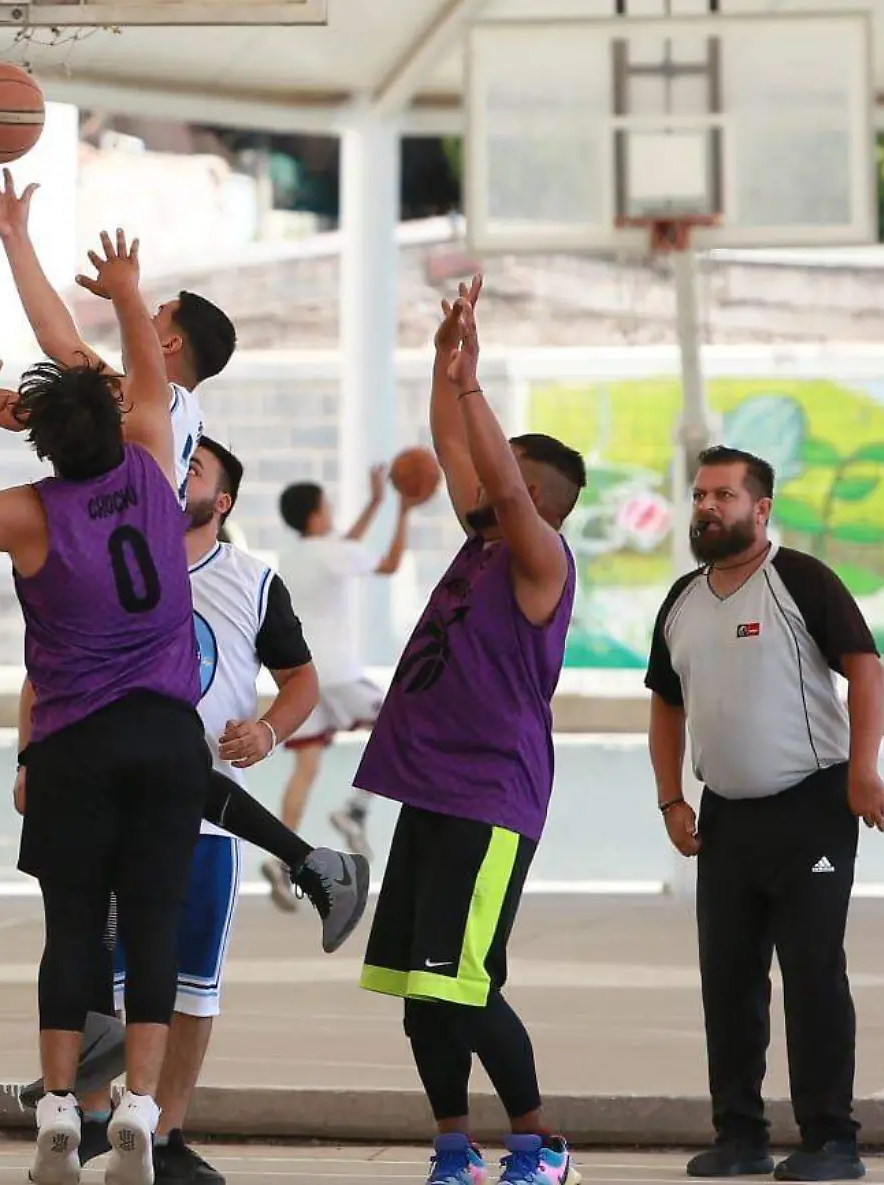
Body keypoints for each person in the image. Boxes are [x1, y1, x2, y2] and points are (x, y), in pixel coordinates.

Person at [0, 227, 213, 1185]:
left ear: (43, 443)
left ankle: (59, 1109)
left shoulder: (31, 512)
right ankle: (143, 1111)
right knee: (153, 922)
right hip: (167, 735)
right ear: (114, 422)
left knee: (71, 927)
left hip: (73, 743)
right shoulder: (156, 461)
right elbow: (148, 374)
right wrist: (124, 288)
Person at [352, 277, 586, 1185]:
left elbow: (487, 459)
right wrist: (448, 363)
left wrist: (480, 390)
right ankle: (456, 1151)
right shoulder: (480, 540)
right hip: (433, 794)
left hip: (491, 797)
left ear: (526, 490)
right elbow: (452, 443)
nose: (475, 477)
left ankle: (542, 1146)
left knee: (468, 982)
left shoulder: (539, 556)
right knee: (420, 996)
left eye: (502, 471)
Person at [72, 436, 324, 1184]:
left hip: (209, 819)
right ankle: (88, 1121)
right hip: (112, 804)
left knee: (192, 987)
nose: (178, 471)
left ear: (223, 501)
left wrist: (270, 728)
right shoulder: (115, 560)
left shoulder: (252, 581)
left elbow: (302, 679)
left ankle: (162, 1132)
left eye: (196, 467)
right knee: (96, 973)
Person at [646, 445, 884, 1183]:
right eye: (699, 495)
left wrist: (863, 768)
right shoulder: (683, 599)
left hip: (811, 807)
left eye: (723, 494)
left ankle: (831, 1140)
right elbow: (665, 702)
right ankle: (741, 1135)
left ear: (761, 508)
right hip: (726, 817)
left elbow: (866, 667)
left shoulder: (801, 581)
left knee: (813, 972)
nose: (707, 507)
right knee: (727, 977)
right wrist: (670, 797)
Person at [0, 167, 237, 512]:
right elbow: (59, 339)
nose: (144, 318)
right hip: (139, 551)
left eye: (156, 314)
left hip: (123, 556)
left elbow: (19, 409)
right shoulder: (174, 408)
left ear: (170, 346)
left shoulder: (160, 405)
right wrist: (15, 235)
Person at [267, 465, 426, 897]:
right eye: (328, 505)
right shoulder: (331, 552)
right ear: (317, 515)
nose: (333, 511)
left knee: (305, 767)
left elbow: (344, 546)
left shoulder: (297, 553)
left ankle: (283, 862)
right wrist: (404, 511)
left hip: (304, 678)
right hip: (338, 674)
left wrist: (376, 503)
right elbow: (389, 565)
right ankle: (355, 810)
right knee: (403, 723)